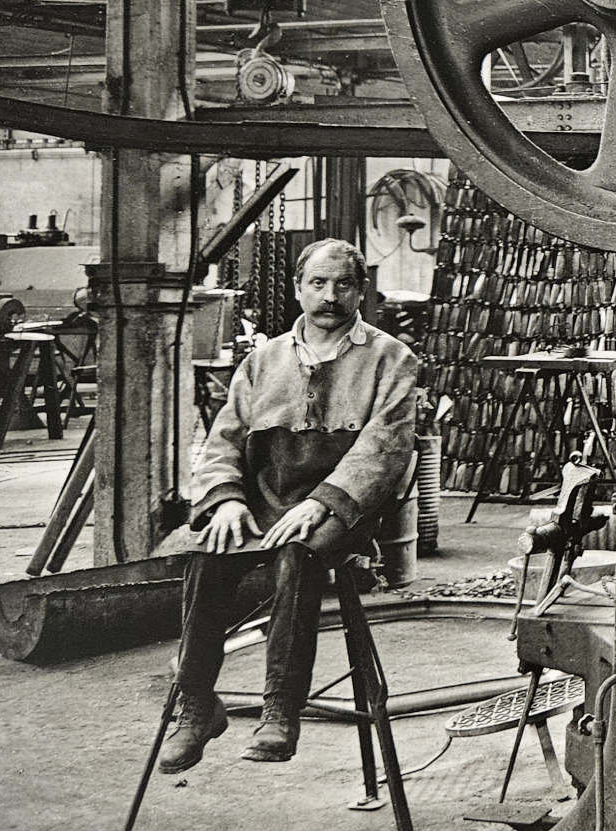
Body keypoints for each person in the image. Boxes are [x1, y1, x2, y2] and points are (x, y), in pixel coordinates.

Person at [158, 238, 420, 773]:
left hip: (344, 508)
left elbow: (386, 448)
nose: (330, 296)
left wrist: (324, 503)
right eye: (317, 284)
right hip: (266, 500)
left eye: (343, 284)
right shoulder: (263, 360)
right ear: (299, 288)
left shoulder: (393, 358)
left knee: (298, 558)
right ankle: (196, 707)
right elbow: (223, 441)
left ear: (360, 291)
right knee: (206, 557)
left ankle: (281, 710)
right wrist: (227, 501)